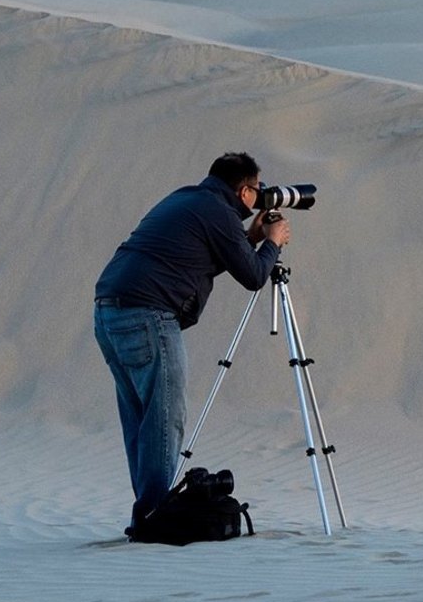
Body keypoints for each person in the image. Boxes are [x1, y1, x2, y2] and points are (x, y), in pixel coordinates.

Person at [94, 152, 291, 536]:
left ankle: (147, 513)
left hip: (109, 312)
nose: (260, 197)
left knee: (140, 418)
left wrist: (248, 237)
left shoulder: (189, 198)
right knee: (164, 420)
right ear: (244, 190)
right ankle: (154, 518)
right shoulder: (217, 213)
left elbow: (194, 258)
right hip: (147, 315)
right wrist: (272, 244)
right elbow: (253, 276)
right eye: (258, 189)